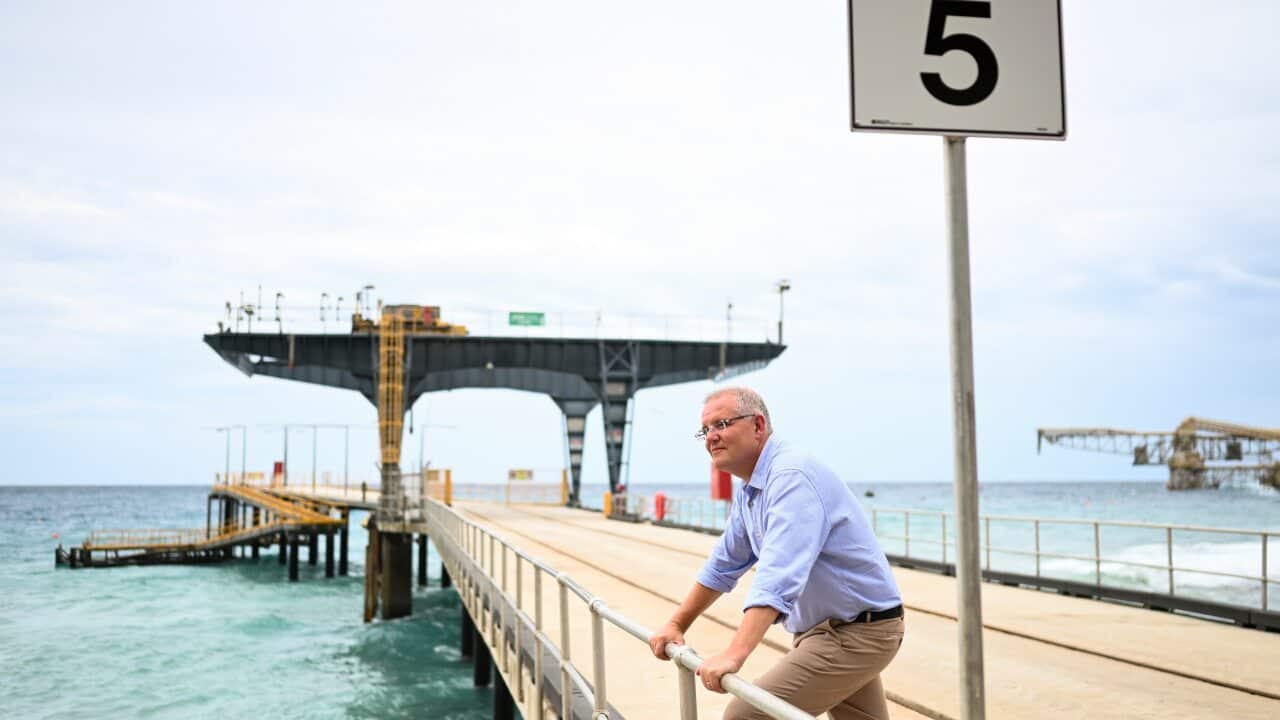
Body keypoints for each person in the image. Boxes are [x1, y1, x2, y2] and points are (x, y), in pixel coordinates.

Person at [648, 387, 904, 720]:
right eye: (705, 430)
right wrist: (676, 623)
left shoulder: (791, 476)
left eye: (721, 424)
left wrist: (735, 654)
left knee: (745, 715)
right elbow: (723, 565)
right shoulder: (751, 488)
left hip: (857, 632)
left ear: (757, 425)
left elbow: (779, 573)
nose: (711, 437)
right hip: (825, 631)